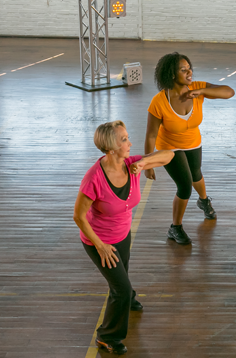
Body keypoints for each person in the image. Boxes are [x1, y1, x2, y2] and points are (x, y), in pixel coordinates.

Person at [73, 121, 174, 355]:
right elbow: (79, 217)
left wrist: (144, 162)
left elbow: (168, 155)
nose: (130, 143)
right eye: (124, 140)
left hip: (122, 235)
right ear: (110, 148)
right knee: (121, 288)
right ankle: (107, 337)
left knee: (122, 278)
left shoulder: (131, 164)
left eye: (127, 137)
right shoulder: (93, 178)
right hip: (99, 241)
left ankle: (128, 300)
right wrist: (100, 246)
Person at [145, 52, 235, 245]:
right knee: (185, 186)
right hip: (169, 147)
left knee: (196, 174)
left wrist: (202, 92)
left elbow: (229, 92)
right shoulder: (159, 101)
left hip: (193, 141)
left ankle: (203, 200)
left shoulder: (197, 88)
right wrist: (148, 163)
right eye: (183, 70)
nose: (189, 72)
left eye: (189, 68)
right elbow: (151, 135)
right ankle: (175, 228)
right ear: (171, 74)